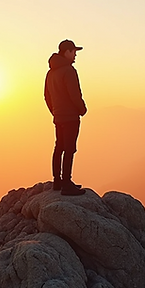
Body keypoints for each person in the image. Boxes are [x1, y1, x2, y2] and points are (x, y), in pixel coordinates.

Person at [45, 39, 88, 196]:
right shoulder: (69, 71)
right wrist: (82, 109)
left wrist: (55, 111)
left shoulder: (51, 72)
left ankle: (58, 181)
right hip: (70, 117)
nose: (75, 55)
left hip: (58, 117)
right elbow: (75, 94)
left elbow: (46, 96)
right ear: (67, 52)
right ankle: (67, 185)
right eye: (74, 52)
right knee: (69, 149)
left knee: (59, 147)